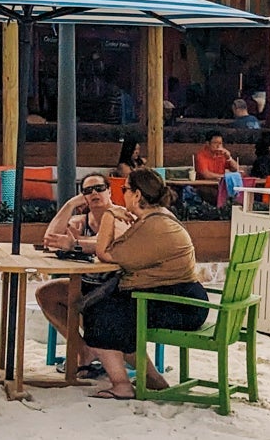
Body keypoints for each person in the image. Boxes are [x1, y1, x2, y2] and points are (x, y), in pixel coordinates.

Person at [84, 168, 206, 398]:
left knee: (98, 312)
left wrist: (110, 214)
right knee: (107, 306)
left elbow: (105, 253)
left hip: (179, 305)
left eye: (125, 190)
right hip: (183, 299)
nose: (123, 195)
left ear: (138, 195)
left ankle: (122, 385)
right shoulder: (159, 218)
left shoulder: (154, 226)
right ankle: (152, 378)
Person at [36, 173, 134, 379]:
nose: (94, 194)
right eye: (88, 191)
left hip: (115, 287)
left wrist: (75, 244)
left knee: (84, 303)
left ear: (109, 191)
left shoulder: (119, 216)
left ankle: (98, 353)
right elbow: (50, 239)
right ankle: (84, 351)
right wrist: (71, 204)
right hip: (87, 284)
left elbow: (112, 243)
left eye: (99, 188)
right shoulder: (81, 221)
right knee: (46, 293)